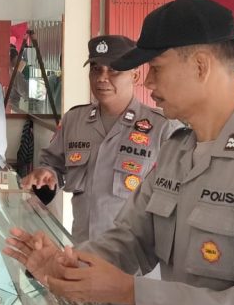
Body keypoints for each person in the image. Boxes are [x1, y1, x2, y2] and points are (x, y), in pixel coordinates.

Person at [4, 0, 234, 305]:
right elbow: (131, 239)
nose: (149, 82)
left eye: (156, 68)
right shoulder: (177, 151)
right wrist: (67, 264)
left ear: (201, 66)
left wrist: (132, 292)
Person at [22, 35, 177, 243]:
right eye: (96, 69)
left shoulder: (163, 128)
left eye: (114, 70)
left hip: (133, 255)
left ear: (135, 75)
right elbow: (53, 164)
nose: (102, 78)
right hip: (83, 246)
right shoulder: (74, 120)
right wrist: (47, 173)